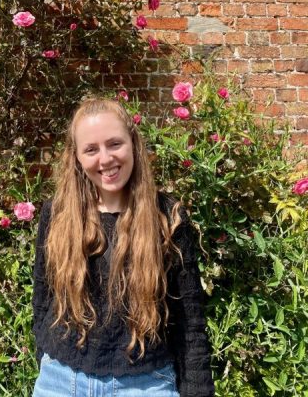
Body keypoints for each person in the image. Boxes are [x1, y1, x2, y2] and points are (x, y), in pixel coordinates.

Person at [32, 97, 215, 396]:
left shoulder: (168, 218)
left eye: (114, 144)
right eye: (91, 149)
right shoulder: (57, 214)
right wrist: (45, 356)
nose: (105, 159)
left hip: (146, 384)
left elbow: (190, 322)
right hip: (61, 381)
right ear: (76, 157)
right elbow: (42, 297)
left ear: (133, 143)